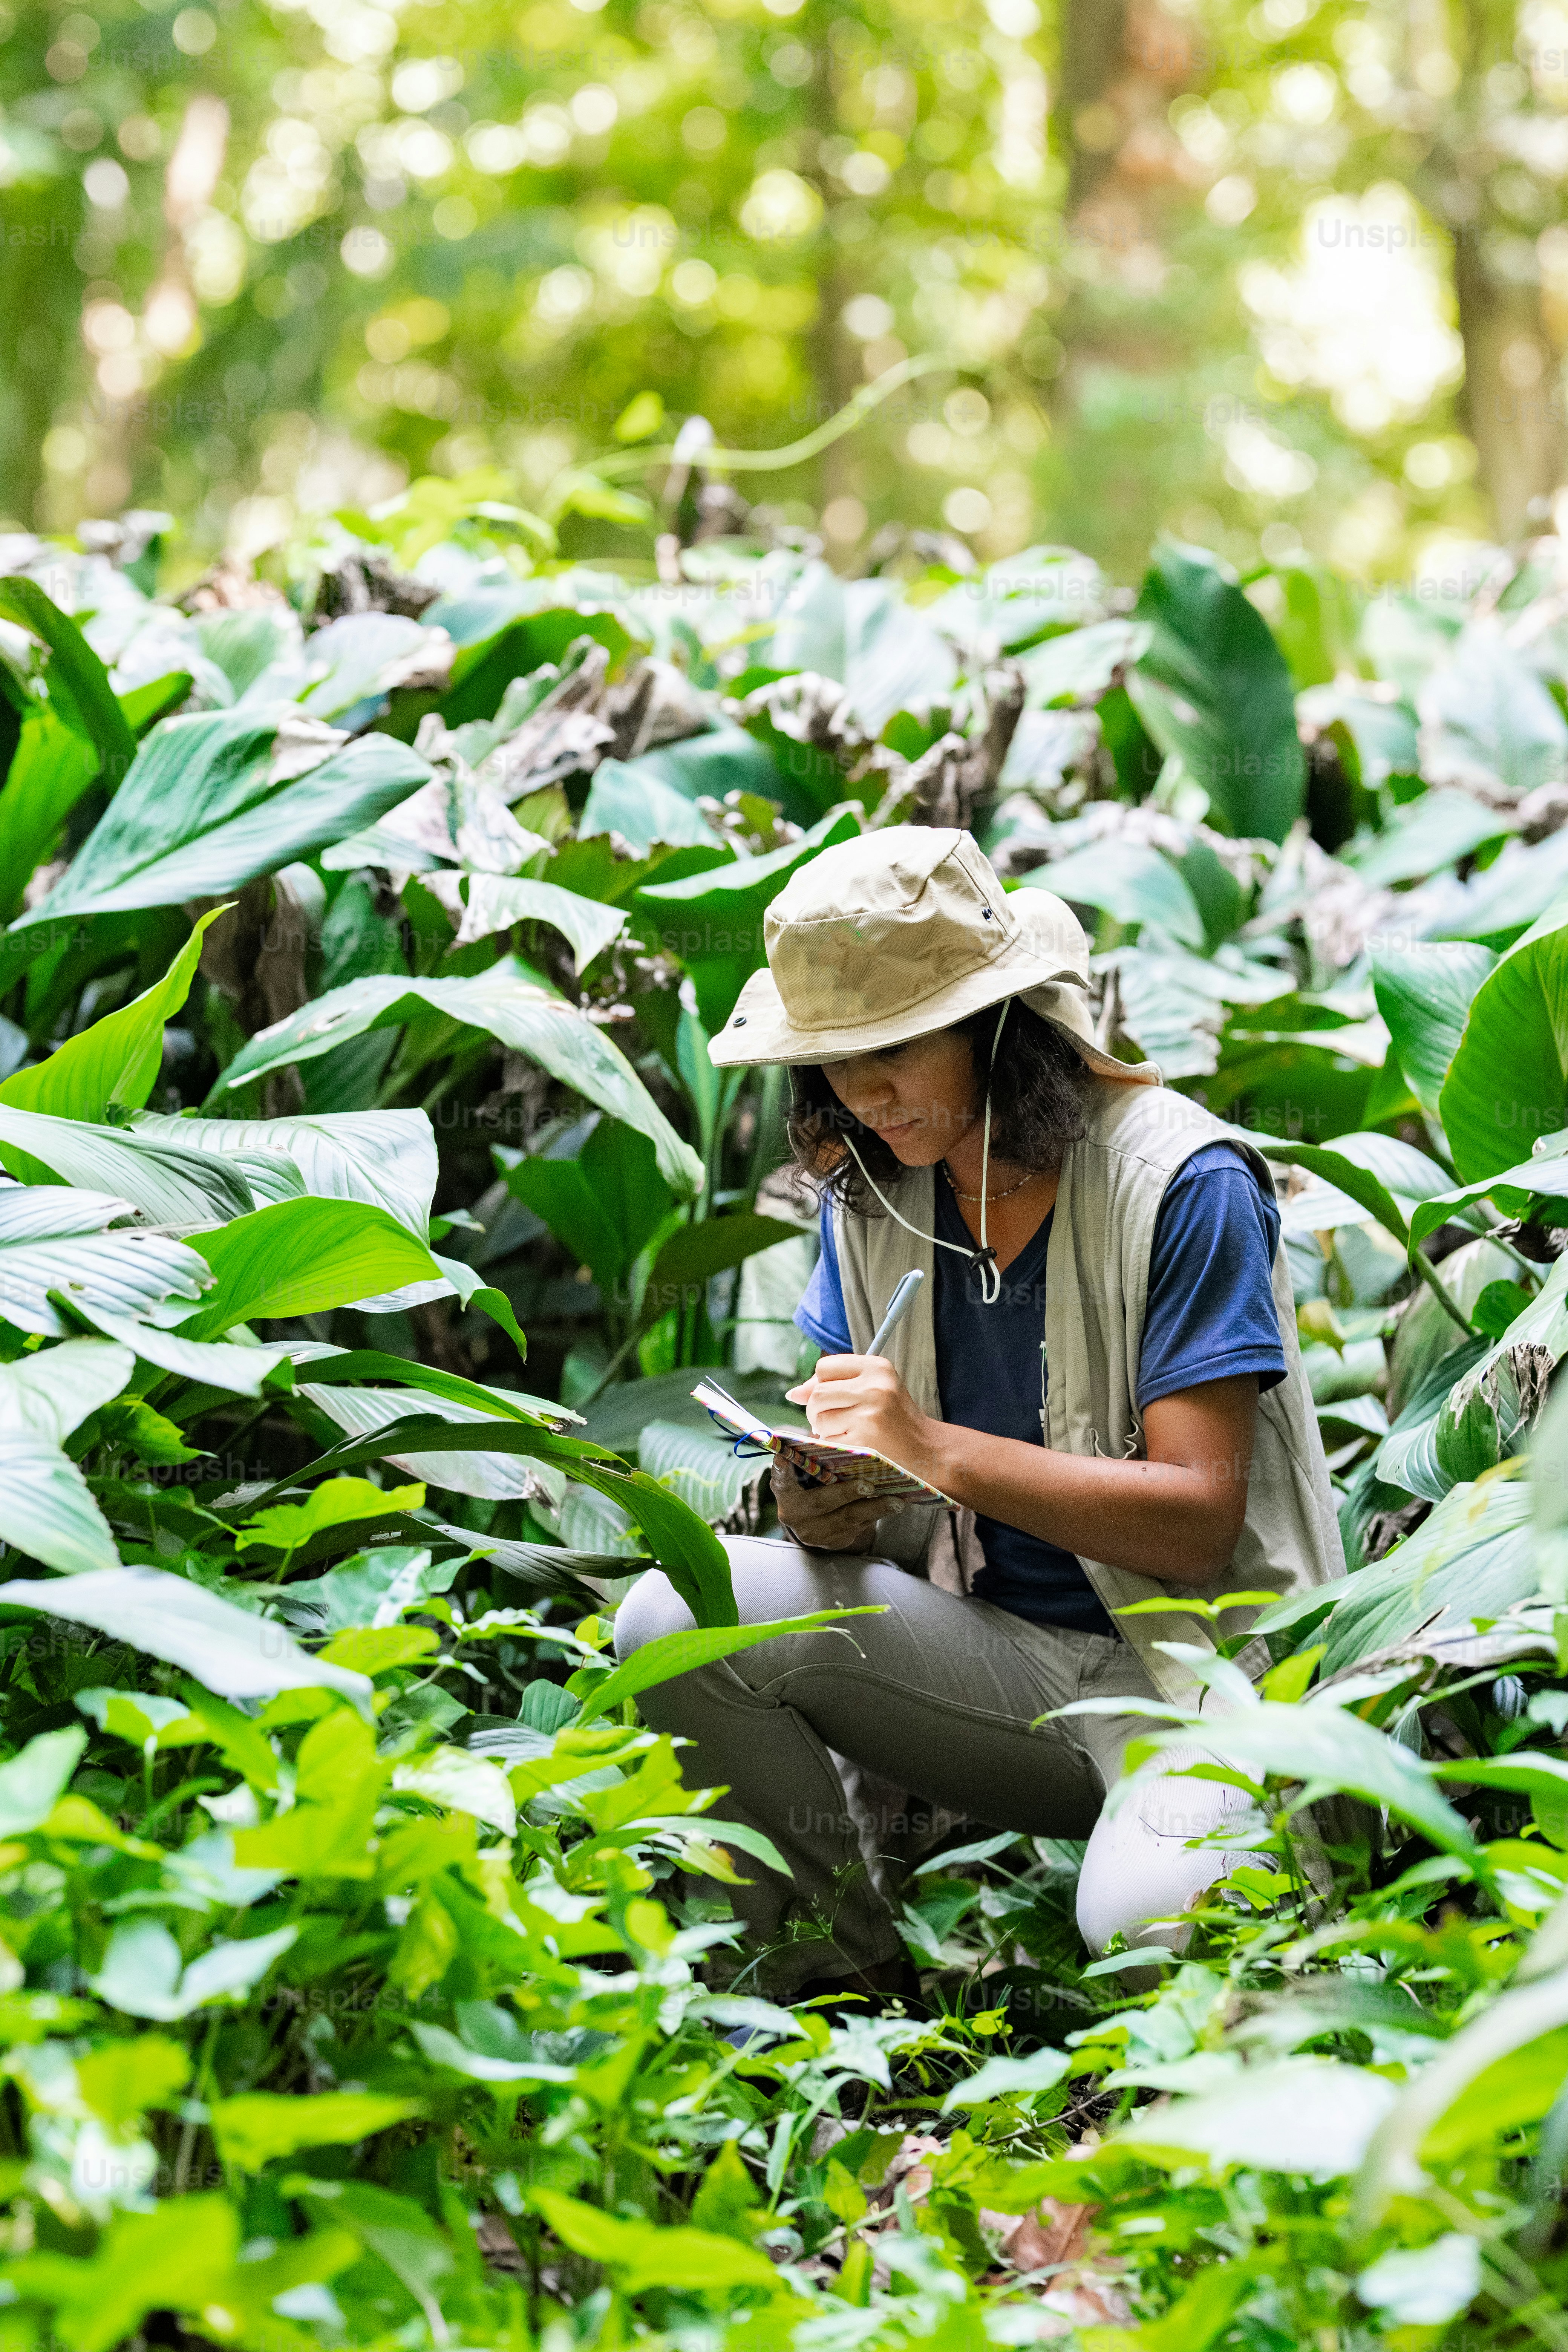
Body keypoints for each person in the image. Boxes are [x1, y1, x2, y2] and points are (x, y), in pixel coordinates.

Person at [614, 826, 1344, 2001]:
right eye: (834, 1060)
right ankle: (840, 2001)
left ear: (996, 1025)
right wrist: (827, 1506)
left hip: (1201, 1681)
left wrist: (932, 1446)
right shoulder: (870, 1197)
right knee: (675, 1616)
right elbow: (866, 1479)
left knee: (1157, 1926)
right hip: (1000, 1668)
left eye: (895, 1047)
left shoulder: (1182, 1183)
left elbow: (1199, 1523)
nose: (863, 1094)